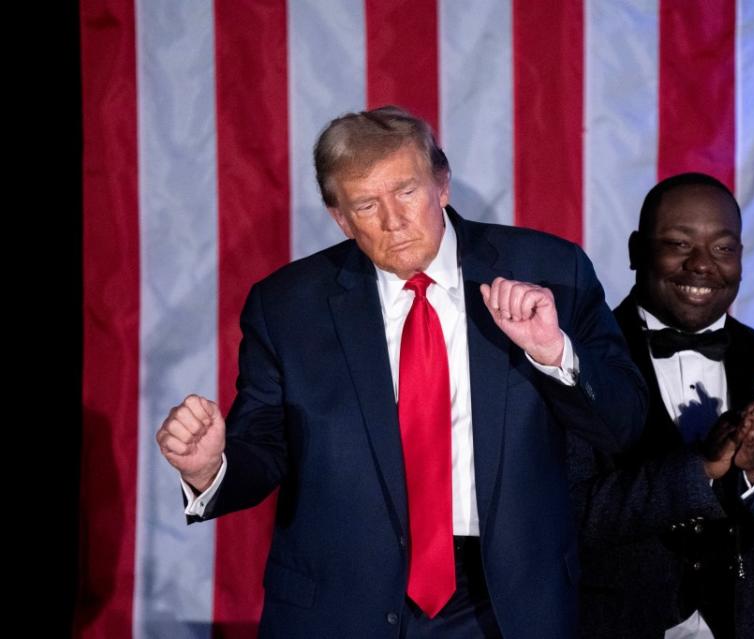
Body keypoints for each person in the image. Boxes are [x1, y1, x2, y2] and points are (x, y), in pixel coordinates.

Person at [155, 106, 647, 638]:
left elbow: (623, 425)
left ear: (442, 185)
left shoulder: (550, 270)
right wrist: (210, 468)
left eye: (406, 192)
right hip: (341, 607)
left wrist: (554, 353)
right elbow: (263, 446)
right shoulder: (287, 307)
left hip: (506, 604)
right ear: (341, 218)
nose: (393, 220)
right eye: (367, 204)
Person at [568, 172, 754, 638]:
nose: (702, 265)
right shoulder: (576, 362)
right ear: (637, 250)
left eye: (723, 248)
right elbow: (563, 520)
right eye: (679, 244)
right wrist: (698, 468)